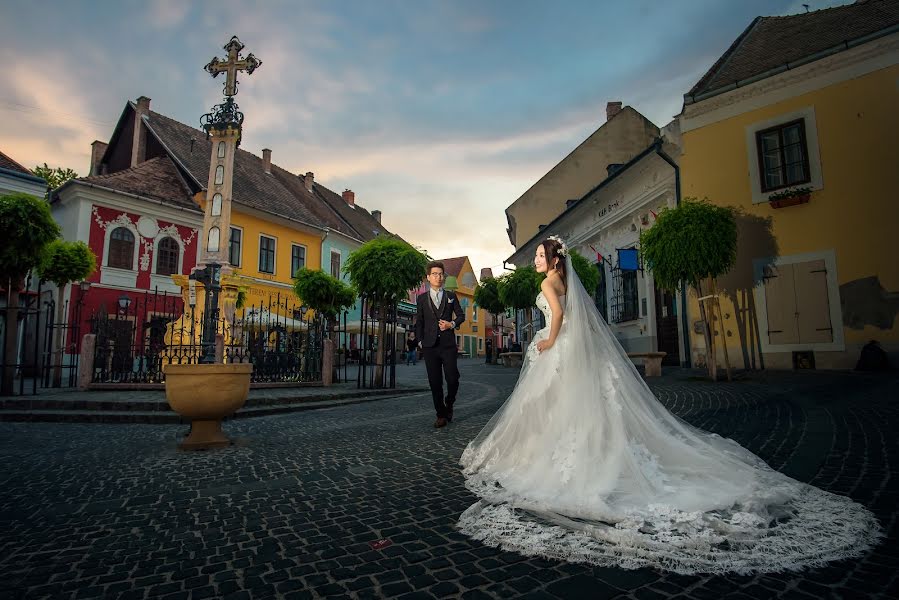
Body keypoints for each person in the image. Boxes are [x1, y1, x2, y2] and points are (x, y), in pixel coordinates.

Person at [458, 236, 880, 574]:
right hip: (575, 353)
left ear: (553, 260)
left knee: (554, 406)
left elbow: (560, 317)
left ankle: (559, 457)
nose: (535, 259)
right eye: (534, 255)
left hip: (560, 349)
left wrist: (547, 340)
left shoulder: (549, 284)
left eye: (538, 254)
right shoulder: (566, 281)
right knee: (579, 406)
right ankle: (585, 448)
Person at [415, 261, 466, 428]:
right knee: (434, 382)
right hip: (430, 346)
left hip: (448, 345)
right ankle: (440, 414)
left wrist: (451, 324)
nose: (438, 277)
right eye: (435, 274)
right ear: (428, 277)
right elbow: (419, 322)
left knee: (453, 378)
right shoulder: (422, 298)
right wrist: (420, 341)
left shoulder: (451, 296)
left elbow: (460, 316)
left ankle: (449, 402)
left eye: (440, 274)